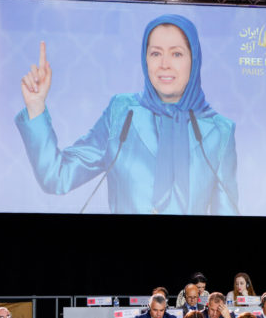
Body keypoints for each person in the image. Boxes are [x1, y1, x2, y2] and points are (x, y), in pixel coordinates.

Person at [16, 15, 239, 216]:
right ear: (145, 59)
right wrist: (36, 107)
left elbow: (227, 216)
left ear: (194, 59)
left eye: (177, 54)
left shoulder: (220, 131)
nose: (164, 65)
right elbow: (57, 177)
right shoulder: (122, 112)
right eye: (155, 53)